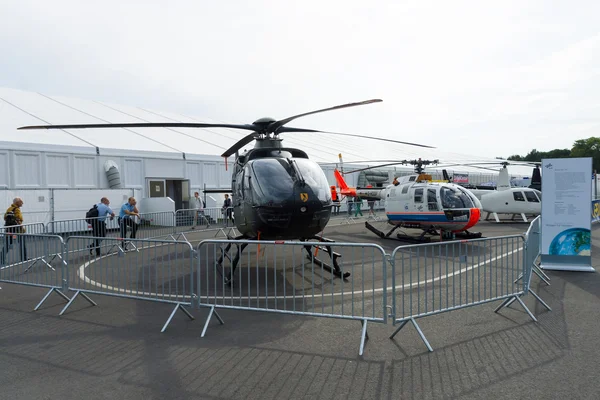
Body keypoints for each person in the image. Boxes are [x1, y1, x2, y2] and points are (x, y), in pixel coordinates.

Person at [1, 197, 27, 264]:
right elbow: (18, 219)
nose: (22, 203)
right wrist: (22, 228)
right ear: (17, 202)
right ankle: (24, 258)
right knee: (22, 243)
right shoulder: (17, 209)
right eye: (21, 201)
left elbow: (5, 218)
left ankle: (1, 258)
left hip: (9, 229)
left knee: (7, 244)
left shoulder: (9, 209)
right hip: (17, 230)